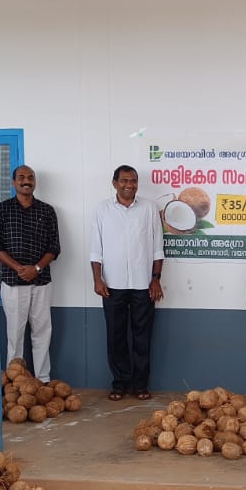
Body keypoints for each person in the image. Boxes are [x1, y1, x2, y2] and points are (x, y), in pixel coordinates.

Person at [90, 165, 164, 401]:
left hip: (143, 284)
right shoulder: (102, 210)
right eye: (124, 181)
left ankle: (140, 385)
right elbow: (95, 250)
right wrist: (97, 279)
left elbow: (157, 248)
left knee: (143, 337)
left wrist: (156, 280)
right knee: (116, 336)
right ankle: (120, 383)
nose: (129, 185)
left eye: (133, 181)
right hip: (112, 285)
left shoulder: (149, 208)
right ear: (114, 183)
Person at [0, 165, 60, 382]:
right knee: (15, 335)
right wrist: (19, 268)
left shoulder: (47, 211)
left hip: (41, 281)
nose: (26, 180)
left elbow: (54, 247)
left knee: (42, 332)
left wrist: (37, 268)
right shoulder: (1, 210)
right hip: (13, 282)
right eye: (21, 177)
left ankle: (43, 379)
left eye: (30, 177)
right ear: (13, 182)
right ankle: (15, 383)